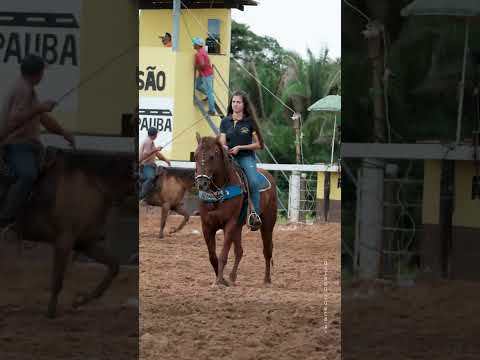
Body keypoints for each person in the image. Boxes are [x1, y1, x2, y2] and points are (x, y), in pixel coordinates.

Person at [0, 54, 75, 227]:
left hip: (31, 145)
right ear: (37, 73)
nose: (43, 75)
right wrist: (38, 108)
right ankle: (6, 217)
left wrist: (63, 132)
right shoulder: (22, 90)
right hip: (17, 145)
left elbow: (43, 119)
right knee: (28, 174)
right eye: (42, 71)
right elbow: (14, 120)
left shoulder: (28, 90)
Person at [219, 90, 265, 230]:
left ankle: (254, 215)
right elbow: (222, 140)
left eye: (238, 102)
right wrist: (224, 147)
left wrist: (240, 147)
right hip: (229, 158)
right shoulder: (225, 121)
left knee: (253, 182)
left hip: (245, 157)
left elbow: (259, 145)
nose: (235, 104)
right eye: (233, 102)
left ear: (244, 104)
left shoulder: (249, 122)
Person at [138, 127, 171, 200]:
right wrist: (156, 149)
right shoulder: (148, 141)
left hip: (151, 165)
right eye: (157, 134)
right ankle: (141, 196)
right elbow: (145, 154)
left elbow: (157, 154)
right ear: (155, 135)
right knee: (151, 177)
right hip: (145, 166)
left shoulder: (151, 142)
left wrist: (166, 160)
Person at [192, 37, 216, 116]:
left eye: (194, 43)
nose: (193, 44)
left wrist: (196, 66)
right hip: (203, 74)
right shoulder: (202, 51)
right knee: (198, 86)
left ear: (198, 45)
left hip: (207, 74)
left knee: (209, 92)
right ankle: (209, 96)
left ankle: (212, 110)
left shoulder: (199, 54)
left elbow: (202, 65)